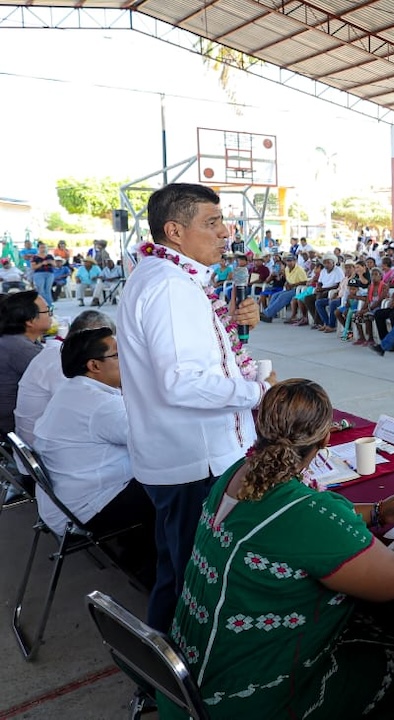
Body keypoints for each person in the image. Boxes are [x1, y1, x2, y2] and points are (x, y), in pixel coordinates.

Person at [160, 379, 394, 719]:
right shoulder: (301, 512)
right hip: (237, 704)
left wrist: (376, 512)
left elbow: (312, 520)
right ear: (327, 438)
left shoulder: (237, 473)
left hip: (180, 689)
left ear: (260, 427)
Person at [118, 183, 276, 632]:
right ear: (175, 231)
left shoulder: (168, 277)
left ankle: (166, 677)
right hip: (195, 462)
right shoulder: (171, 287)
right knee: (196, 579)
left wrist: (231, 329)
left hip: (180, 456)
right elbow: (183, 382)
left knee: (179, 569)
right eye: (211, 223)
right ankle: (179, 684)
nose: (225, 232)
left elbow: (197, 359)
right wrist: (259, 392)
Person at [33, 327, 156, 584]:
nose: (128, 360)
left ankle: (142, 553)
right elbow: (155, 439)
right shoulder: (100, 405)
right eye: (119, 355)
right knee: (178, 486)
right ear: (94, 365)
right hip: (86, 509)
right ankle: (156, 570)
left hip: (65, 502)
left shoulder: (74, 390)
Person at [15, 310, 113, 448]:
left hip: (40, 444)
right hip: (43, 451)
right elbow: (88, 407)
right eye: (114, 353)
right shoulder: (61, 360)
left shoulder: (60, 354)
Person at [0, 291, 50, 436]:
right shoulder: (19, 348)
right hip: (12, 427)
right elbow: (63, 378)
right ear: (30, 320)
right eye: (47, 311)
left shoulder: (12, 340)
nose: (50, 315)